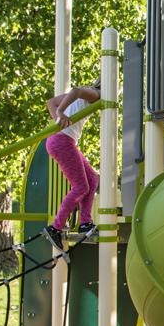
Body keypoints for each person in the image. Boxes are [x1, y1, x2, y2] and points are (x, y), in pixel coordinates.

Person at [43, 85, 101, 244]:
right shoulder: (95, 94)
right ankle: (55, 227)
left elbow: (50, 102)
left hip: (62, 139)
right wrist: (60, 114)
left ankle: (85, 223)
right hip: (63, 141)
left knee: (92, 179)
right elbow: (76, 91)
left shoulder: (90, 94)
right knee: (81, 187)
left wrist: (59, 120)